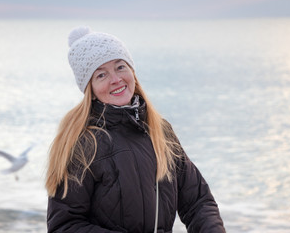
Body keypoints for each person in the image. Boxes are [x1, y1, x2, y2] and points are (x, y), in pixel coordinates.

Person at [45, 26, 226, 233]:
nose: (115, 79)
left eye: (120, 67)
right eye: (101, 75)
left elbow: (198, 201)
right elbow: (64, 226)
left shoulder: (160, 131)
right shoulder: (84, 143)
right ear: (91, 90)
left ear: (132, 71)